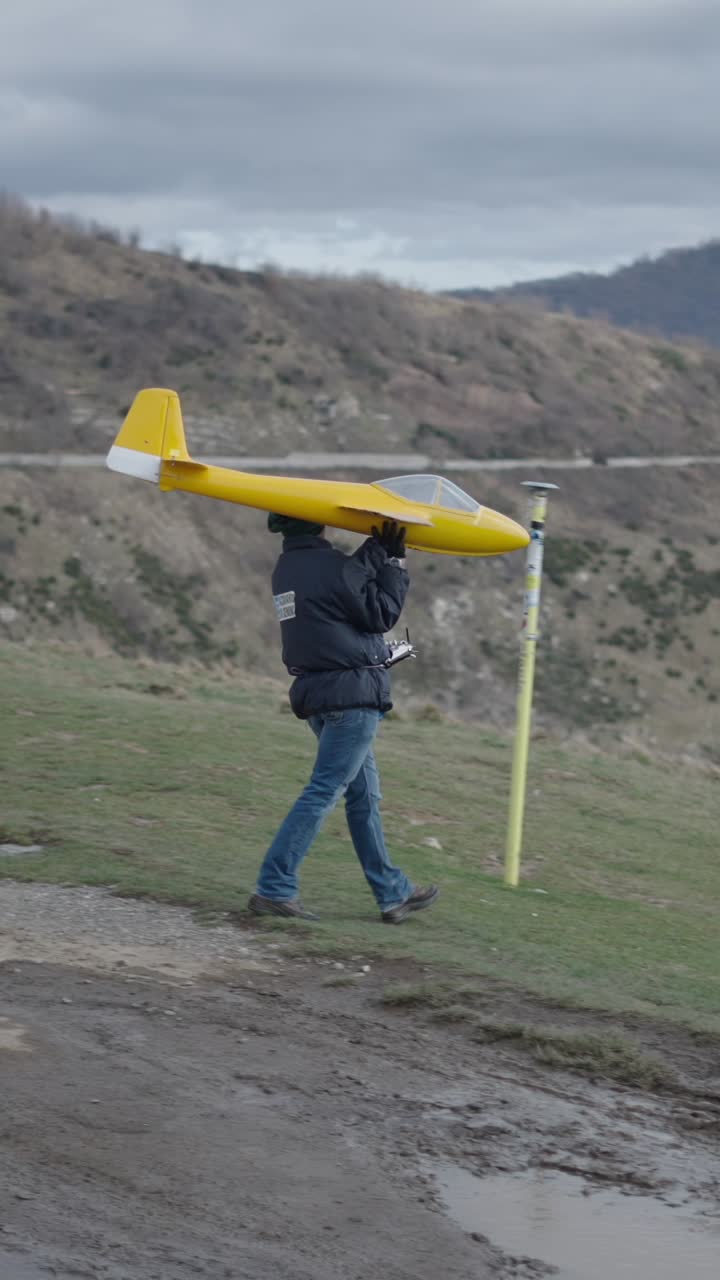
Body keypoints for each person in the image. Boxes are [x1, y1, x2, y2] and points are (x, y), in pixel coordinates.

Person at [248, 514, 439, 924]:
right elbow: (381, 614)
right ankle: (274, 887)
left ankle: (393, 894)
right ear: (319, 523)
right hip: (351, 701)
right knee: (323, 792)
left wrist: (376, 550)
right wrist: (393, 562)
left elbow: (342, 588)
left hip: (318, 696)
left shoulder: (288, 569)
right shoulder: (332, 567)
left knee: (363, 798)